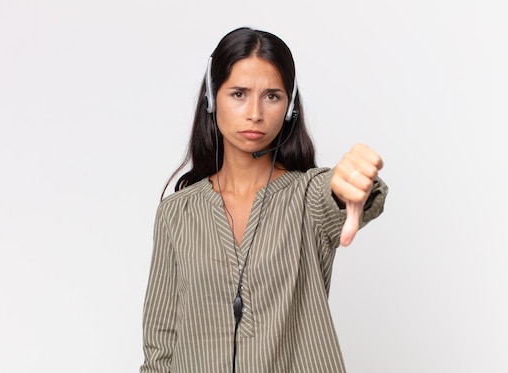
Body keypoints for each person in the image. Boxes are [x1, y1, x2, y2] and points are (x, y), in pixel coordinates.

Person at [140, 27, 388, 373]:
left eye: (272, 96)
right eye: (239, 94)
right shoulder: (176, 213)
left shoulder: (307, 197)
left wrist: (354, 182)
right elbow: (160, 346)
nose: (255, 112)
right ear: (212, 99)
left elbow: (334, 193)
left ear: (289, 108)